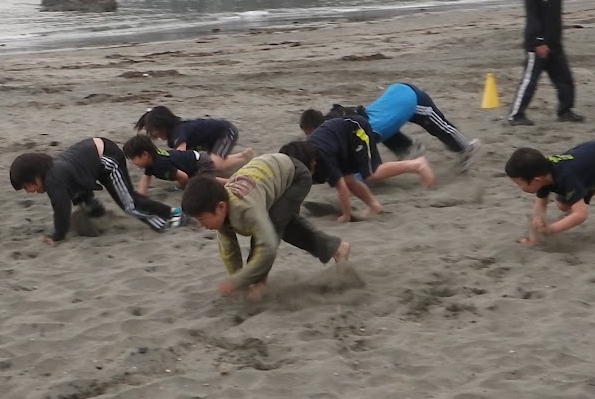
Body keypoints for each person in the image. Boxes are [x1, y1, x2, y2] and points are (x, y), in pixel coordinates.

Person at [181, 146, 350, 302]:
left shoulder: (245, 208)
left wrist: (242, 280)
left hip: (294, 176)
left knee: (273, 227)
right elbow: (229, 252)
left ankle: (260, 284)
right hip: (269, 176)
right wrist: (237, 282)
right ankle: (337, 248)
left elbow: (267, 246)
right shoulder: (222, 213)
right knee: (284, 225)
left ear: (220, 207)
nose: (201, 225)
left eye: (202, 219)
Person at [10, 137, 183, 243]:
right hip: (99, 161)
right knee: (121, 200)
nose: (29, 191)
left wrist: (57, 236)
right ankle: (95, 208)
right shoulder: (55, 171)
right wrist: (89, 202)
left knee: (130, 205)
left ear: (35, 176)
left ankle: (172, 215)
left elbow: (61, 208)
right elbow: (75, 185)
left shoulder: (54, 178)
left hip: (107, 158)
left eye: (27, 186)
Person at [300, 82, 481, 166]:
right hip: (386, 110)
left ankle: (467, 147)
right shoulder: (337, 127)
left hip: (409, 97)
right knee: (381, 129)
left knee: (439, 127)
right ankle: (410, 148)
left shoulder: (351, 131)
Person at [300, 116, 433, 223]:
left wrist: (346, 215)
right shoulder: (305, 155)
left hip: (356, 130)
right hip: (341, 142)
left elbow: (341, 188)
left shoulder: (322, 157)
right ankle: (374, 206)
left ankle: (417, 164)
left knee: (371, 173)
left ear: (312, 163)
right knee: (349, 179)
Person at [507, 0, 583, 125]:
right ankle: (515, 115)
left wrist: (556, 38)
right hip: (537, 46)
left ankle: (565, 112)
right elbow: (533, 18)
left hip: (555, 45)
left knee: (565, 80)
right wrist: (538, 42)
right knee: (529, 82)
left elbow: (554, 18)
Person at [122, 133, 247, 195]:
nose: (132, 163)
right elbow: (145, 180)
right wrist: (140, 196)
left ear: (145, 155)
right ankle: (241, 160)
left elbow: (183, 177)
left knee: (207, 182)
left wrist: (182, 188)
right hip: (193, 161)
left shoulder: (160, 164)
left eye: (133, 158)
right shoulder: (151, 161)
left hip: (199, 162)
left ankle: (236, 182)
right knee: (202, 180)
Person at [133, 106, 246, 162]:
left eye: (154, 130)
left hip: (226, 132)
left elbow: (180, 155)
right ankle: (243, 156)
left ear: (163, 125)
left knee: (215, 164)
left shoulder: (178, 131)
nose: (153, 134)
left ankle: (243, 160)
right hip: (212, 140)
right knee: (210, 162)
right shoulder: (172, 139)